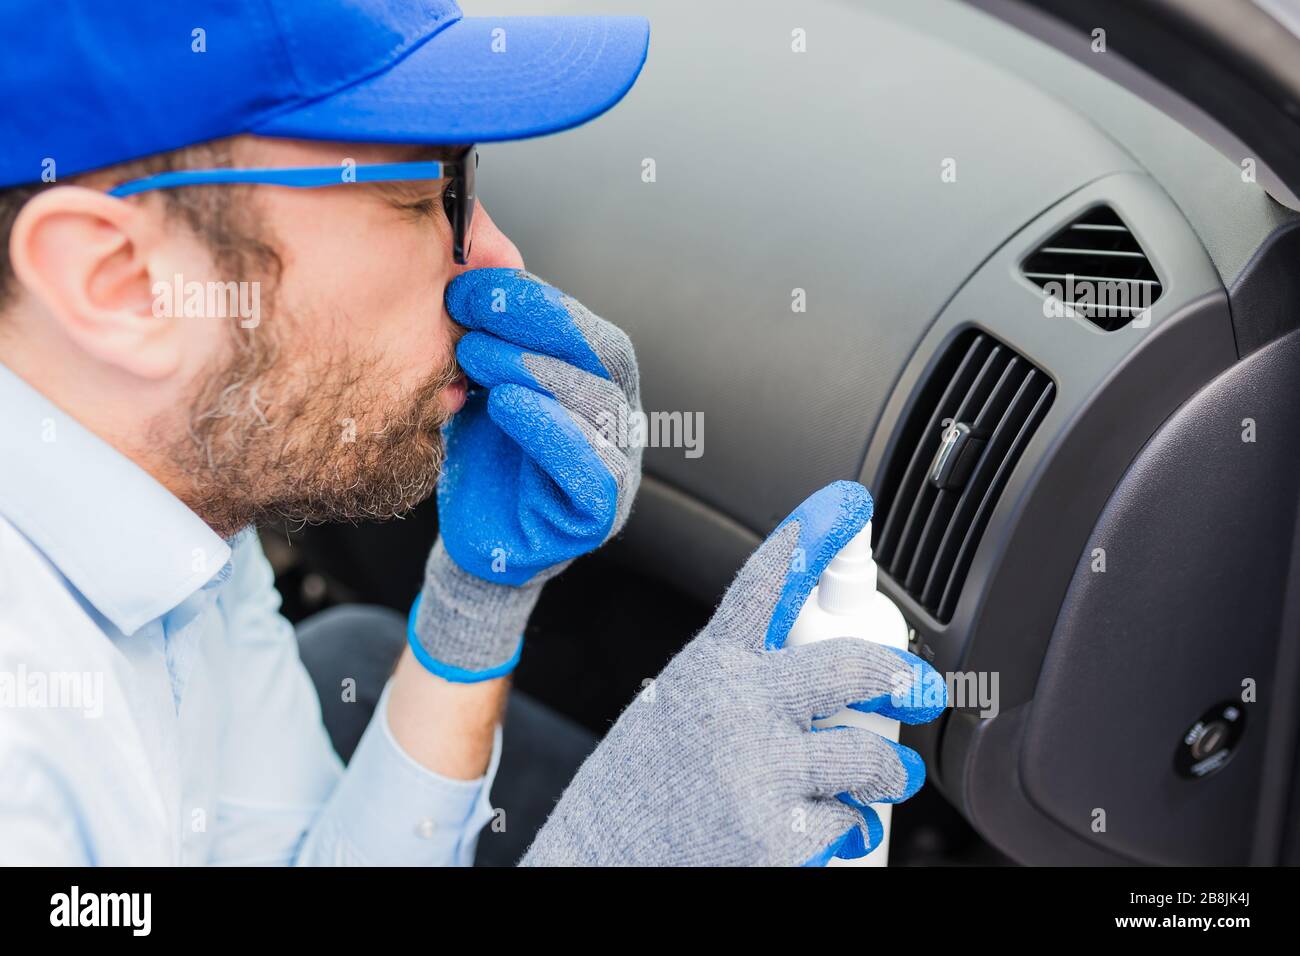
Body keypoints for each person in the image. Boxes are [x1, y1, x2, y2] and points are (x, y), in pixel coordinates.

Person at [0, 0, 944, 866]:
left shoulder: (185, 497)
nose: (497, 258)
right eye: (423, 199)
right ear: (121, 282)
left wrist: (473, 611)